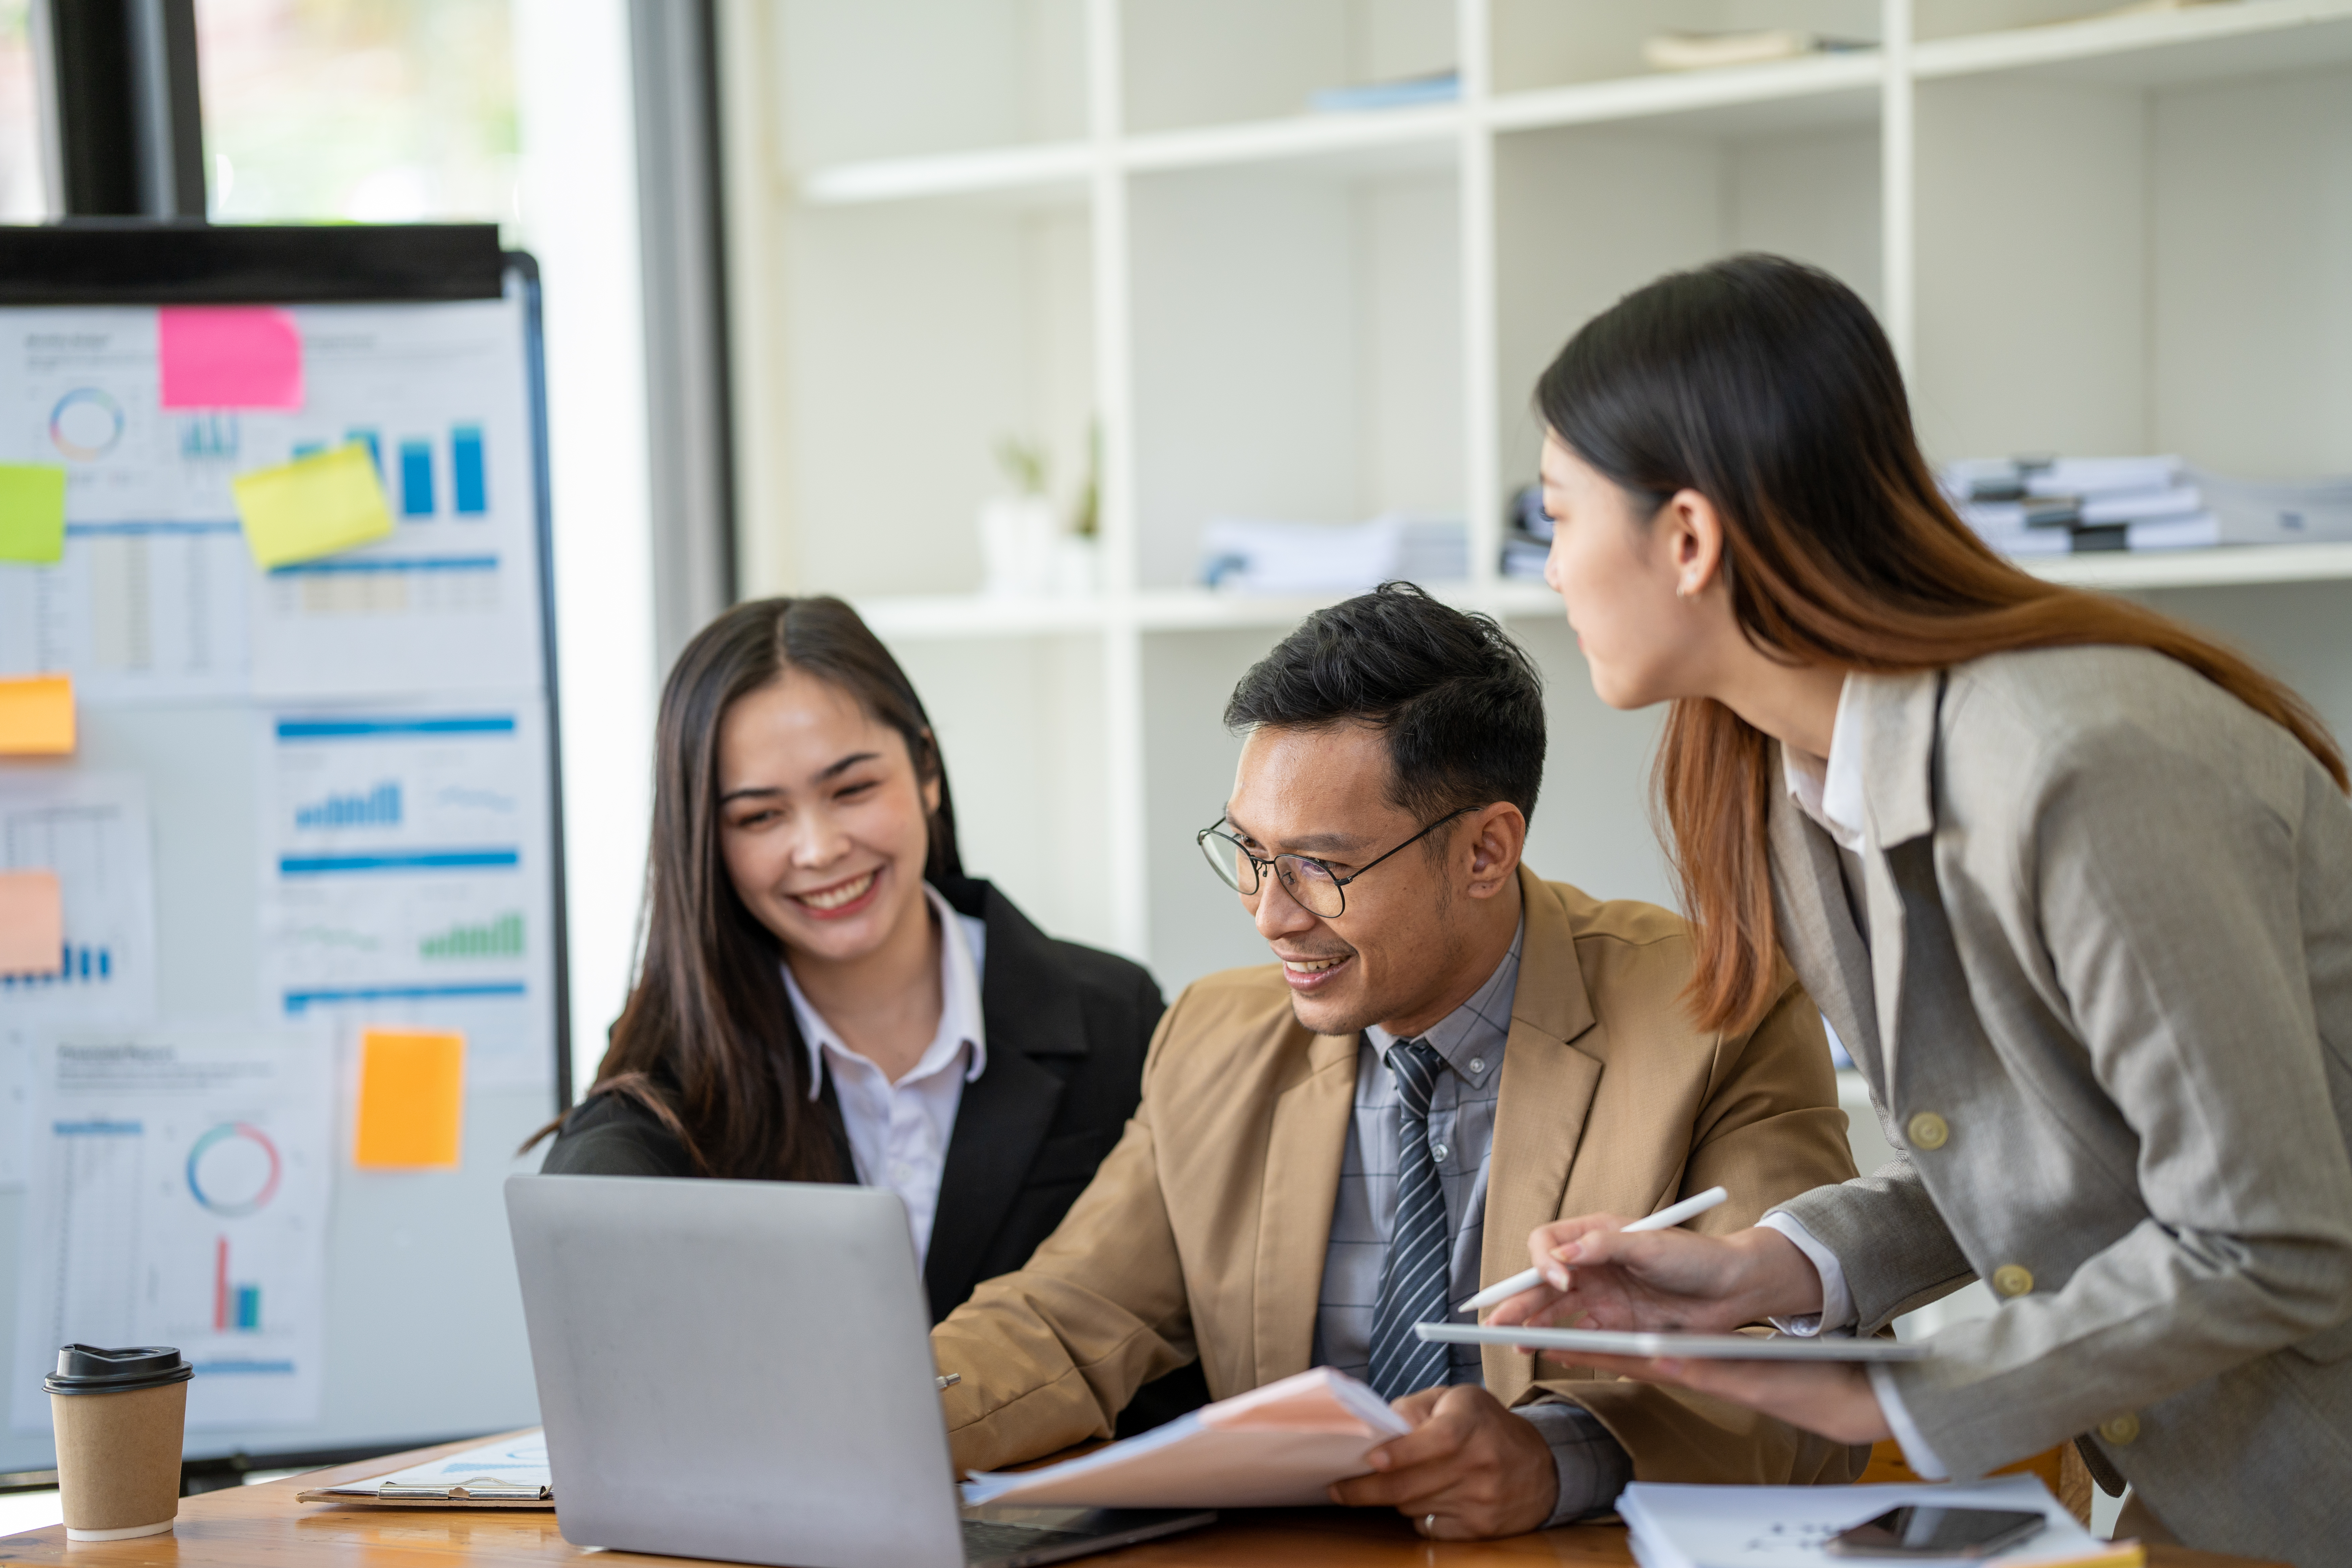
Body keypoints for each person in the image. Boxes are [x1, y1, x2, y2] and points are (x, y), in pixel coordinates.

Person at [1489, 254, 2352, 1566]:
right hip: (2217, 1482)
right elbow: (2061, 1151)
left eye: (1556, 515)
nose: (1549, 571)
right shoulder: (1790, 781)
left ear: (1687, 536)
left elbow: (2271, 1234)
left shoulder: (2084, 763)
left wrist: (1893, 1394)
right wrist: (1776, 1268)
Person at [929, 585, 1866, 1540]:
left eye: (1320, 868)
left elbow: (1800, 1370)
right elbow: (1066, 1318)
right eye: (1249, 852)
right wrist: (885, 1415)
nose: (1269, 913)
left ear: (1486, 851)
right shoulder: (1214, 1035)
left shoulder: (1713, 1010)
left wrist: (1558, 1453)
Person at [531, 597, 1207, 1429]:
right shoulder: (679, 1064)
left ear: (925, 768)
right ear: (707, 840)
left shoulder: (1113, 1014)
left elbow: (1182, 1334)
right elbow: (595, 1246)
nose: (817, 848)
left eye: (851, 788)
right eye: (759, 816)